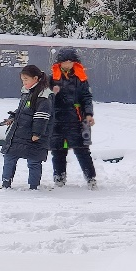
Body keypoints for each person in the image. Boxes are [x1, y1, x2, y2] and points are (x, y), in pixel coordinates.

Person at [49, 46, 97, 189]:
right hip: (57, 120)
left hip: (77, 119)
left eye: (71, 62)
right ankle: (59, 178)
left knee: (82, 150)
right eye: (65, 62)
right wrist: (53, 95)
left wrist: (88, 114)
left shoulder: (80, 78)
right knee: (58, 150)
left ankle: (91, 178)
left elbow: (87, 97)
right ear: (59, 62)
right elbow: (46, 97)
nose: (68, 64)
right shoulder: (52, 78)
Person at [0, 64, 52, 190]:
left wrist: (37, 133)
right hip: (20, 133)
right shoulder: (27, 92)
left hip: (34, 136)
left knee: (34, 161)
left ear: (35, 78)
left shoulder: (44, 95)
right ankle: (6, 183)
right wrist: (12, 118)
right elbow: (22, 111)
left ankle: (33, 186)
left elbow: (42, 116)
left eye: (26, 79)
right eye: (22, 80)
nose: (24, 82)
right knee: (9, 157)